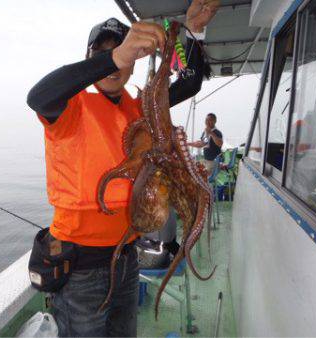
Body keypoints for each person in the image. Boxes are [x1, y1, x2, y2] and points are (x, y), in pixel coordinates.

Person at [26, 1, 219, 336]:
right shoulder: (69, 108)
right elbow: (38, 96)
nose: (117, 60)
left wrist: (190, 33)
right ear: (92, 60)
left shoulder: (139, 110)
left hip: (127, 257)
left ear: (133, 66)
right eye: (104, 52)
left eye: (124, 53)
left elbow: (188, 82)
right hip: (80, 267)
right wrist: (117, 56)